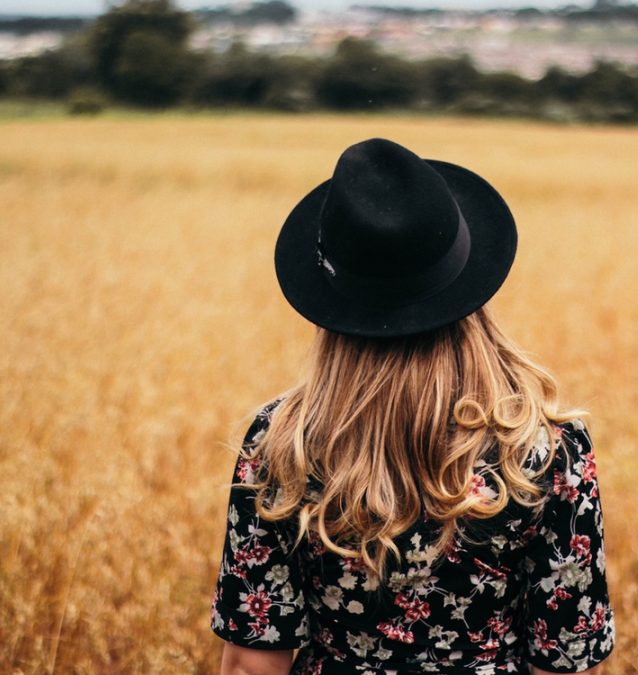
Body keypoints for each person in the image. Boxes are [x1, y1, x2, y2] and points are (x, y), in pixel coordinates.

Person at [210, 138, 615, 675]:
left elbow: (250, 662)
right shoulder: (545, 449)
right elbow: (565, 660)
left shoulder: (281, 441)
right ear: (467, 281)